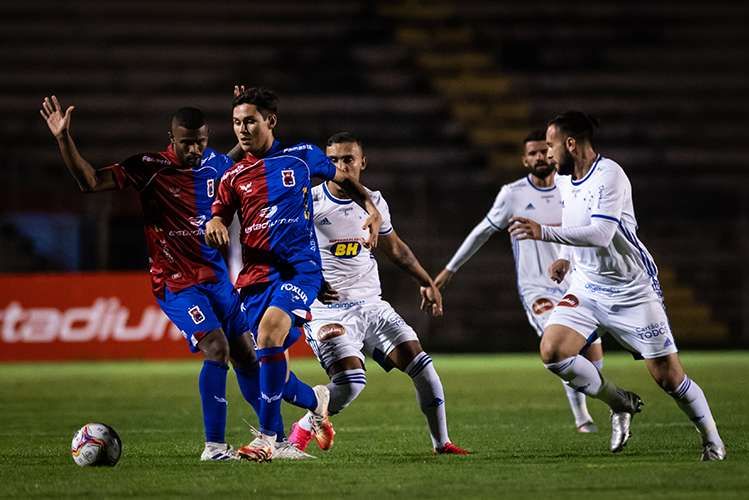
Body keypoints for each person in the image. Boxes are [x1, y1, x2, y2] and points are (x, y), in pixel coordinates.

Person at [39, 95, 264, 461]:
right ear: (171, 138)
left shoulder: (216, 164)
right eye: (186, 142)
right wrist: (63, 139)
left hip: (218, 280)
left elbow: (237, 159)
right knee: (217, 349)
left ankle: (274, 437)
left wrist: (247, 115)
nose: (194, 149)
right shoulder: (149, 167)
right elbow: (91, 181)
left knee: (247, 356)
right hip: (177, 282)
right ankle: (215, 448)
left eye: (201, 141)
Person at [509, 111, 726, 460]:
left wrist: (544, 232)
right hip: (586, 286)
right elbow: (573, 220)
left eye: (550, 146)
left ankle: (713, 441)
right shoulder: (565, 179)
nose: (547, 154)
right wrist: (564, 256)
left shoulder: (610, 175)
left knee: (669, 378)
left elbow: (602, 233)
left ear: (570, 144)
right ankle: (619, 402)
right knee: (553, 351)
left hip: (631, 289)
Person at [206, 88, 383, 462]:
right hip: (256, 276)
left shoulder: (302, 158)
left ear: (270, 121)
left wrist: (370, 206)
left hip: (300, 270)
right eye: (236, 122)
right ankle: (316, 400)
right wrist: (216, 224)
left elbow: (347, 180)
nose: (242, 129)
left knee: (270, 333)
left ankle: (268, 439)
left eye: (250, 121)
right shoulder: (233, 175)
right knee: (266, 366)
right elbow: (218, 212)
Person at [285, 132, 468, 455]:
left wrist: (426, 281)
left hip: (372, 305)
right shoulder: (308, 202)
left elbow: (395, 248)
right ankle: (302, 429)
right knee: (351, 383)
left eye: (348, 159)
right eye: (332, 161)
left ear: (362, 162)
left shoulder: (375, 203)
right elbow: (286, 251)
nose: (340, 166)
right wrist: (310, 280)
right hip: (329, 310)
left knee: (423, 366)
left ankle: (442, 444)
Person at [434, 130, 603, 433]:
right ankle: (582, 418)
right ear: (525, 160)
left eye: (544, 151)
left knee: (593, 356)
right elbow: (482, 231)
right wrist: (450, 269)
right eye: (533, 153)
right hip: (536, 287)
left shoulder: (571, 190)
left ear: (553, 154)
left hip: (578, 283)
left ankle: (607, 404)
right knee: (563, 349)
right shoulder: (513, 194)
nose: (540, 157)